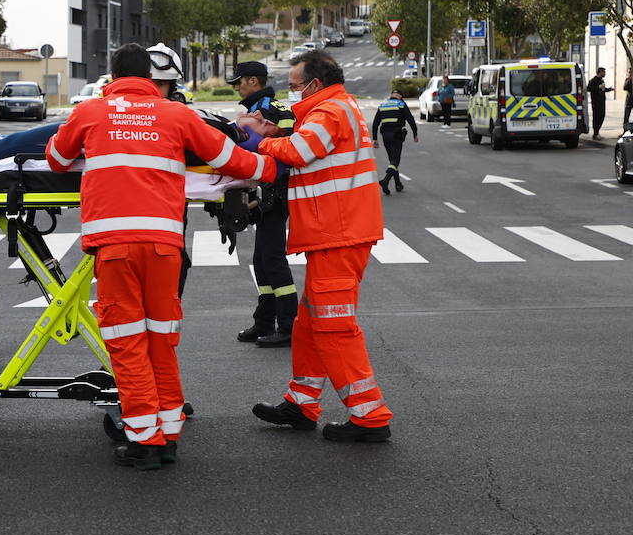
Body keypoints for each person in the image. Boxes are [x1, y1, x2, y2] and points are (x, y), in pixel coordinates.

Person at [46, 43, 278, 470]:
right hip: (164, 246)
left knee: (127, 343)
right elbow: (230, 158)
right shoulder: (178, 115)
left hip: (115, 247)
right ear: (155, 79)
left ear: (113, 76)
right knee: (160, 341)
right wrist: (271, 169)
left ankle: (144, 442)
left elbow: (57, 160)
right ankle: (167, 433)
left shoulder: (90, 112)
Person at [237, 49, 394, 443]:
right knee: (309, 325)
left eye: (294, 88)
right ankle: (301, 403)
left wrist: (258, 140)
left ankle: (369, 416)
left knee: (334, 327)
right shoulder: (335, 108)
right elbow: (305, 144)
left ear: (314, 85)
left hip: (339, 234)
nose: (291, 95)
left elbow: (299, 152)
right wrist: (277, 134)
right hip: (338, 233)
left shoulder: (329, 112)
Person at [226, 59, 297, 348]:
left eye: (239, 82)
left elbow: (289, 151)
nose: (237, 88)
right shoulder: (264, 110)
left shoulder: (268, 111)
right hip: (267, 193)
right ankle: (264, 321)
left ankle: (288, 325)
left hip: (275, 194)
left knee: (272, 259)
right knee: (261, 260)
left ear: (254, 81)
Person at [371, 87, 419, 194]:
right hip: (396, 135)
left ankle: (397, 184)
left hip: (385, 135)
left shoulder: (382, 105)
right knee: (395, 160)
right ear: (400, 96)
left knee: (392, 160)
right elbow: (410, 119)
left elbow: (375, 123)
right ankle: (385, 180)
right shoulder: (401, 104)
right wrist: (415, 133)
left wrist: (375, 139)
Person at [586, 67, 612, 139]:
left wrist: (609, 89)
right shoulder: (593, 80)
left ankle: (597, 132)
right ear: (600, 72)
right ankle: (595, 133)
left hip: (602, 102)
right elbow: (589, 88)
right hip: (596, 102)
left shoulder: (601, 80)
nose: (605, 74)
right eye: (604, 72)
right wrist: (598, 87)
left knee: (602, 116)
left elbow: (602, 89)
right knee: (596, 117)